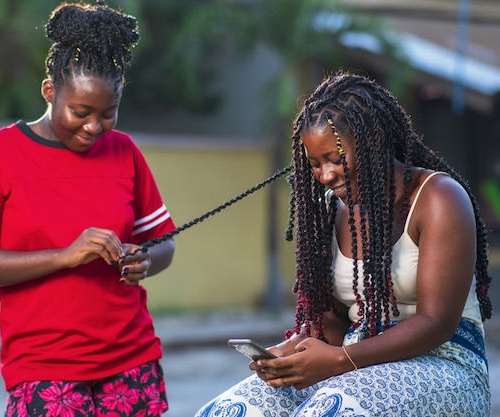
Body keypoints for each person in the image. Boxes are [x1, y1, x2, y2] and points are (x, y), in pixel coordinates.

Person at [195, 72, 492, 416]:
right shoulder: (330, 210)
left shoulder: (439, 198)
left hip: (445, 366)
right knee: (227, 411)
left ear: (375, 140)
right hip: (354, 360)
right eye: (315, 163)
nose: (325, 174)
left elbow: (436, 322)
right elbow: (333, 322)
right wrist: (294, 350)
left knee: (329, 411)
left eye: (335, 158)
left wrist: (340, 359)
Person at [0, 2, 176, 416]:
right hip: (43, 368)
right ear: (50, 91)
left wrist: (145, 259)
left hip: (131, 360)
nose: (93, 127)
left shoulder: (124, 152)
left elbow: (163, 243)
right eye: (80, 112)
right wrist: (65, 256)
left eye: (108, 114)